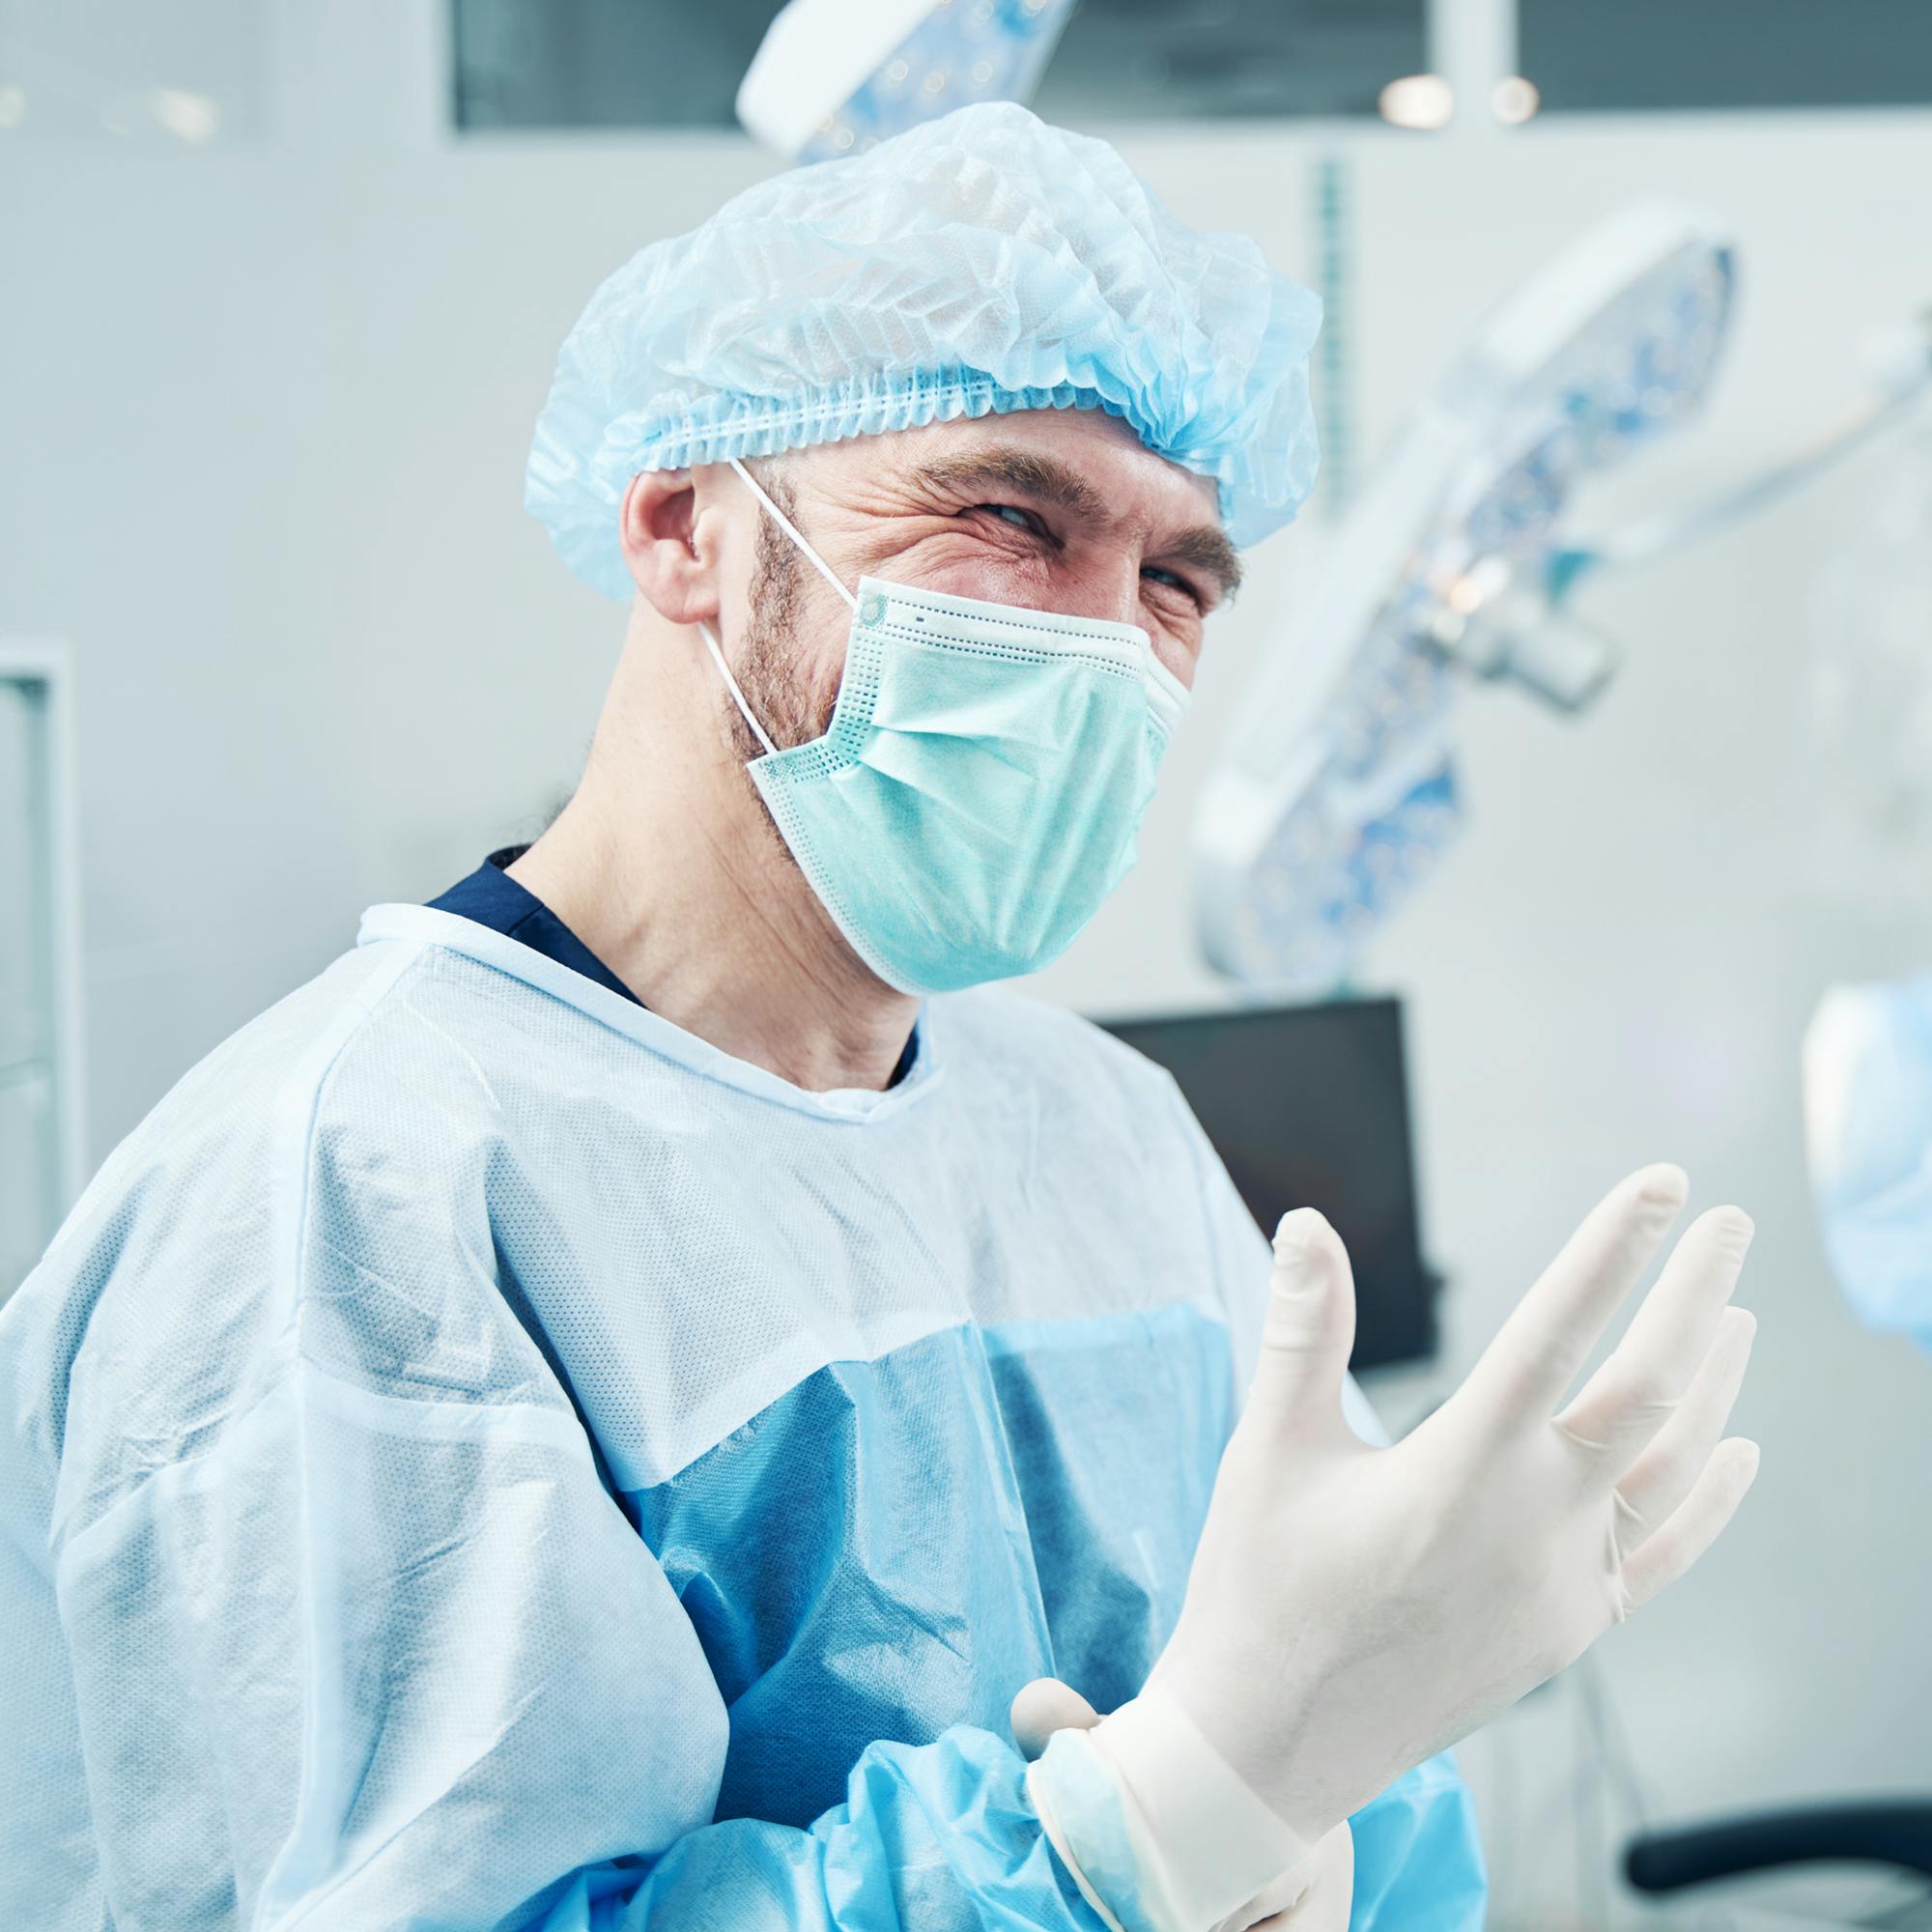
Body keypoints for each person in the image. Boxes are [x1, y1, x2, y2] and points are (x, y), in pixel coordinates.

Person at [0, 103, 1758, 1932]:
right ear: (684, 523)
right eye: (1011, 515)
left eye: (1174, 582)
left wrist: (1351, 1759)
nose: (1104, 643)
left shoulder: (1105, 1133)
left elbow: (1352, 1816)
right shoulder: (346, 1196)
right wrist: (1149, 1830)